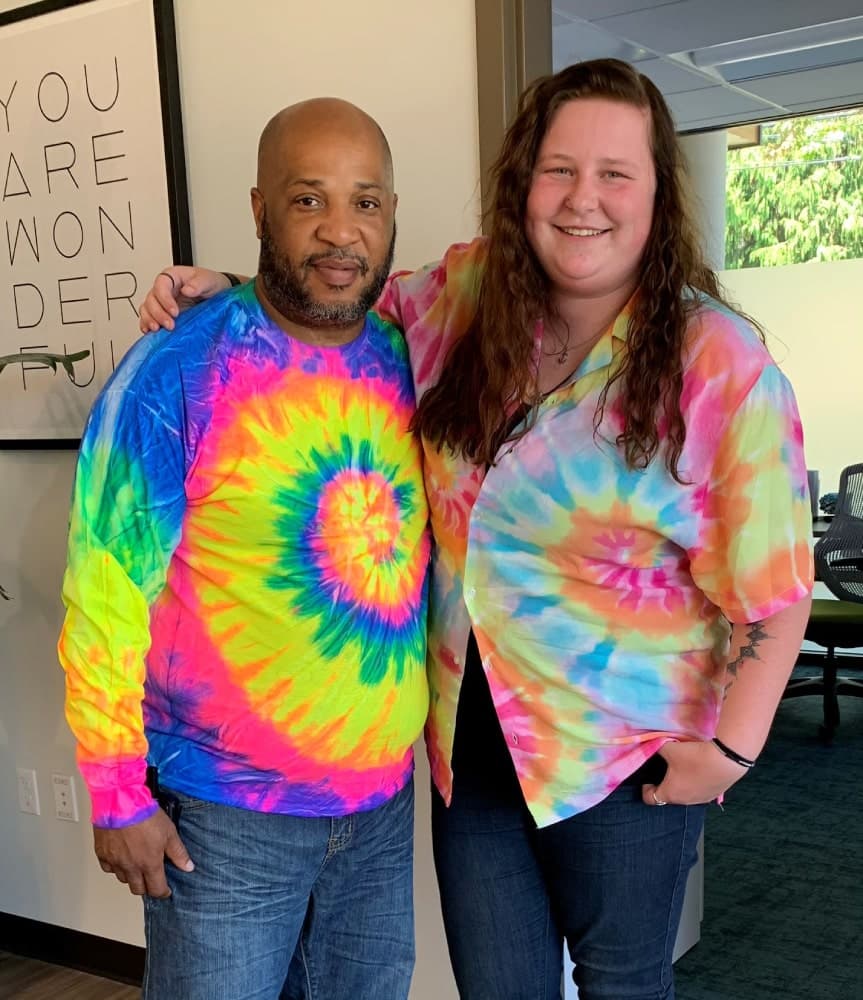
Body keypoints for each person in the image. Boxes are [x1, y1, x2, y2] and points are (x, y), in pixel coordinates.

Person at [140, 59, 813, 1000]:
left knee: (624, 986)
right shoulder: (465, 297)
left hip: (626, 761)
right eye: (558, 169)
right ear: (522, 185)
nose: (584, 200)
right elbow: (349, 297)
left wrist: (731, 751)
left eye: (616, 174)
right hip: (472, 755)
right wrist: (229, 289)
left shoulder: (720, 366)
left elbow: (778, 592)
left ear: (659, 195)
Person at [58, 98, 431, 1000]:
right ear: (261, 209)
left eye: (366, 203)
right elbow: (103, 593)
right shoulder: (177, 372)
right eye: (310, 201)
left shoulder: (404, 356)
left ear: (390, 219)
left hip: (379, 814)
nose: (341, 232)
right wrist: (115, 794)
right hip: (225, 818)